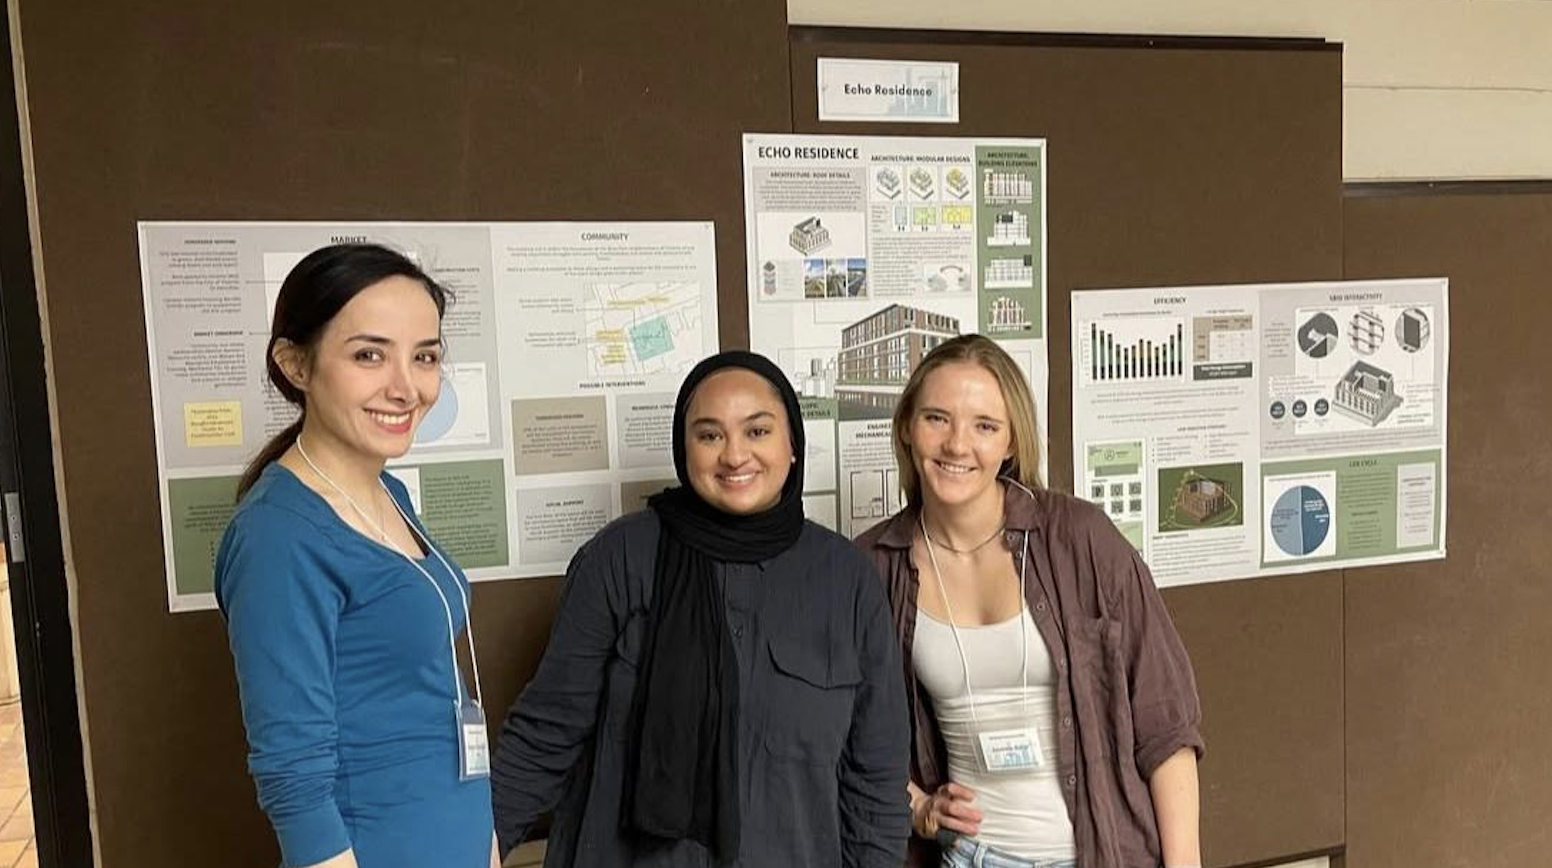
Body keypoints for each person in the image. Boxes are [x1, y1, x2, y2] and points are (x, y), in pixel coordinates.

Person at [490, 350, 910, 868]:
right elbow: (545, 734)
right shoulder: (620, 557)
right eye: (710, 435)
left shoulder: (846, 578)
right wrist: (469, 848)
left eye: (757, 431)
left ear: (792, 446)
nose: (734, 455)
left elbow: (876, 780)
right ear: (683, 449)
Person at [854, 335, 1203, 868]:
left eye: (984, 426)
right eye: (937, 419)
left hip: (1101, 855)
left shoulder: (1081, 539)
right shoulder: (874, 565)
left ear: (1011, 442)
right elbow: (844, 730)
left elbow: (1167, 727)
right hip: (970, 857)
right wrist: (918, 805)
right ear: (906, 427)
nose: (957, 445)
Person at [214, 243, 498, 868]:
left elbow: (427, 697)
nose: (405, 388)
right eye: (369, 355)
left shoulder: (386, 490)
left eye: (424, 357)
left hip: (458, 835)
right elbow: (294, 778)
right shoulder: (278, 537)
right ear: (295, 364)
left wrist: (486, 842)